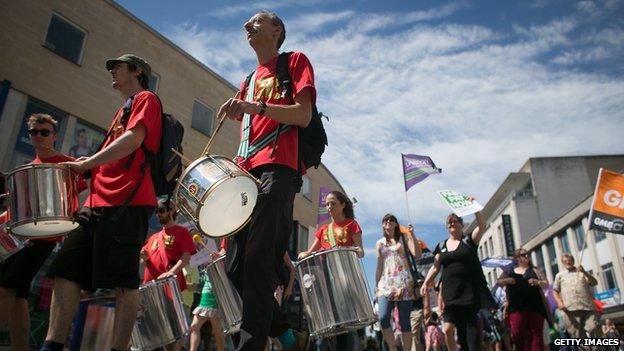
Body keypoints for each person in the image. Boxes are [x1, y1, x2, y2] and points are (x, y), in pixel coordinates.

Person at [41, 53, 162, 351]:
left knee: (124, 282)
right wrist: (88, 166)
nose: (111, 71)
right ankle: (52, 345)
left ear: (135, 71)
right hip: (95, 204)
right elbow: (110, 156)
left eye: (116, 67)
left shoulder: (147, 99)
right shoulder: (121, 110)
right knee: (65, 270)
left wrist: (88, 162)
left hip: (127, 203)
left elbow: (134, 140)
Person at [217, 10, 315, 351]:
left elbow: (303, 115)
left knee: (258, 263)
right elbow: (248, 135)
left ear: (277, 30)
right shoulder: (248, 79)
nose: (247, 26)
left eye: (256, 21)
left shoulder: (295, 61)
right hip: (246, 175)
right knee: (233, 268)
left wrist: (255, 107)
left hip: (279, 170)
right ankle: (290, 339)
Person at [0, 114, 85, 351]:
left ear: (54, 135)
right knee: (17, 297)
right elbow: (19, 210)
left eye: (44, 132)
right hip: (20, 237)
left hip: (43, 237)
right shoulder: (30, 166)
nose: (38, 136)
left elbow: (84, 190)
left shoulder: (67, 164)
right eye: (33, 132)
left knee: (6, 289)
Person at [420, 209, 495, 351]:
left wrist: (475, 210)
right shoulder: (441, 246)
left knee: (468, 327)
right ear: (446, 226)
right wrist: (425, 283)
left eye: (455, 221)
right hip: (450, 294)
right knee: (448, 328)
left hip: (469, 292)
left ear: (462, 224)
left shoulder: (468, 240)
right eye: (449, 222)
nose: (452, 223)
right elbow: (435, 268)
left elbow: (482, 225)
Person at [140, 198, 196, 351]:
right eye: (156, 212)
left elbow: (186, 256)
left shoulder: (182, 232)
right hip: (151, 290)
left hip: (169, 289)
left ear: (171, 211)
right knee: (158, 332)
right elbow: (145, 260)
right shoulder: (153, 237)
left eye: (162, 211)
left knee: (173, 332)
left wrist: (171, 272)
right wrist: (144, 258)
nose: (158, 215)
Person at [375, 214, 422, 351]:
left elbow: (417, 254)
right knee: (383, 318)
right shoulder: (379, 243)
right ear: (383, 225)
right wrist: (376, 285)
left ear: (396, 224)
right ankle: (392, 347)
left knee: (404, 321)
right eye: (385, 220)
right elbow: (379, 267)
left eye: (391, 220)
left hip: (404, 284)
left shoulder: (404, 238)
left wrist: (412, 235)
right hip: (385, 285)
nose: (388, 222)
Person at [497, 248, 550, 351]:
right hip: (516, 308)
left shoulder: (535, 270)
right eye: (523, 254)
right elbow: (499, 282)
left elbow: (546, 284)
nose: (526, 256)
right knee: (518, 334)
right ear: (517, 258)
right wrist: (508, 280)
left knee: (536, 336)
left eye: (527, 254)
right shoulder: (509, 270)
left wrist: (537, 282)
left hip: (535, 307)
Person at [298, 190, 364, 259]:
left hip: (346, 266)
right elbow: (309, 253)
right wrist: (304, 253)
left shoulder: (352, 224)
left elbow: (360, 252)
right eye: (327, 204)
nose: (329, 207)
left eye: (333, 204)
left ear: (343, 205)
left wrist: (348, 250)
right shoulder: (323, 229)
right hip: (326, 268)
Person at [552, 253, 599, 339]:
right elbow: (555, 291)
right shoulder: (559, 275)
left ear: (573, 261)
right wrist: (559, 302)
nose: (567, 262)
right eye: (565, 261)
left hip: (587, 307)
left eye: (569, 260)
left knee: (592, 328)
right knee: (577, 336)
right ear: (563, 263)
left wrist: (584, 272)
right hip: (570, 309)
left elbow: (594, 283)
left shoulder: (582, 272)